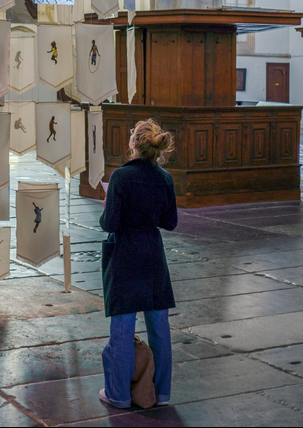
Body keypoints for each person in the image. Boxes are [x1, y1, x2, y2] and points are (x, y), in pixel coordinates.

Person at [99, 119, 177, 409]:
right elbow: (170, 222)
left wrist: (107, 205)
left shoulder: (120, 177)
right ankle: (162, 393)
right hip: (153, 254)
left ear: (133, 144)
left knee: (122, 327)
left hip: (126, 254)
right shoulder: (165, 178)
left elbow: (111, 222)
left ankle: (118, 394)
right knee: (160, 327)